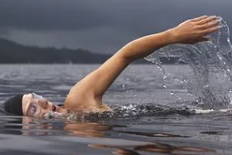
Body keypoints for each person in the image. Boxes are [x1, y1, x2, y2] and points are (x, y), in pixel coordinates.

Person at [3, 15, 220, 118]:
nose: (42, 102)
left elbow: (125, 55)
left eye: (36, 97)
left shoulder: (78, 100)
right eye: (33, 108)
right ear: (27, 125)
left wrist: (173, 35)